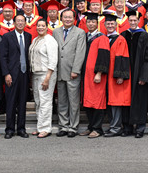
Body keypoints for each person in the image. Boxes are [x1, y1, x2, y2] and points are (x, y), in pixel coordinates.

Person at [52, 9, 87, 138]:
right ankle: (63, 126)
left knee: (73, 101)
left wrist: (76, 70)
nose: (67, 19)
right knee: (62, 101)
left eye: (70, 17)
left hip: (72, 72)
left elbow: (80, 52)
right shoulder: (56, 32)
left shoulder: (80, 32)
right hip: (60, 71)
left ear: (74, 19)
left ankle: (73, 127)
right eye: (65, 17)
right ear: (61, 18)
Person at [121, 10, 148, 138]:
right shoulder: (123, 35)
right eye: (130, 20)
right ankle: (127, 127)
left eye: (135, 20)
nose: (133, 22)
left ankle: (140, 128)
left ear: (139, 21)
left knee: (140, 100)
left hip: (139, 75)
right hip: (126, 74)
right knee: (126, 101)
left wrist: (144, 76)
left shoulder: (145, 36)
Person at [0, 15, 32, 139]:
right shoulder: (7, 37)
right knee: (11, 102)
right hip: (11, 74)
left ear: (25, 23)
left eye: (22, 21)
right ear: (14, 23)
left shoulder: (28, 36)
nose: (20, 23)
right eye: (18, 21)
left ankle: (21, 129)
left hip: (24, 74)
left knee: (22, 103)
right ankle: (9, 129)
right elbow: (3, 57)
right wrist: (6, 74)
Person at [80, 12, 110, 138]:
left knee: (97, 101)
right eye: (89, 22)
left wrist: (99, 73)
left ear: (97, 24)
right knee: (88, 101)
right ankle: (91, 126)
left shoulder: (102, 38)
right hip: (86, 75)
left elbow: (104, 57)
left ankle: (97, 129)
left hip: (96, 76)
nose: (91, 24)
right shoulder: (85, 36)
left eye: (93, 22)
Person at [103, 13, 131, 137]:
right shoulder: (103, 38)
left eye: (112, 24)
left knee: (116, 102)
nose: (110, 25)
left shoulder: (120, 39)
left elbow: (123, 57)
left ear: (116, 25)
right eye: (108, 24)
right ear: (104, 25)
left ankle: (116, 128)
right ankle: (112, 126)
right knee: (109, 102)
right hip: (106, 75)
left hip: (115, 75)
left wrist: (120, 75)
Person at [29, 19, 58, 138]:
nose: (40, 28)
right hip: (36, 73)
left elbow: (53, 60)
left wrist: (47, 78)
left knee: (45, 101)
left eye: (43, 26)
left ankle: (45, 128)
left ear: (47, 27)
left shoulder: (50, 40)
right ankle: (40, 126)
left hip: (46, 74)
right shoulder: (35, 40)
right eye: (39, 26)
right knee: (38, 101)